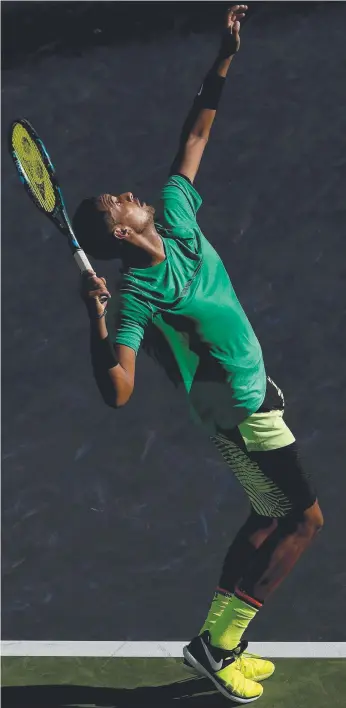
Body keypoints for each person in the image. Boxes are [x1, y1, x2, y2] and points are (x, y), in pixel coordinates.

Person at [74, 6, 323, 703]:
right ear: (121, 233)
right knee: (302, 521)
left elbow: (195, 132)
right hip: (240, 414)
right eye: (117, 202)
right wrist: (96, 320)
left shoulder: (177, 219)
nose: (130, 193)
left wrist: (225, 56)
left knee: (267, 513)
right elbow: (117, 390)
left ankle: (212, 643)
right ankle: (220, 647)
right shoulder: (135, 295)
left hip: (252, 390)